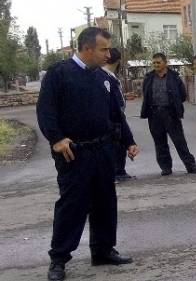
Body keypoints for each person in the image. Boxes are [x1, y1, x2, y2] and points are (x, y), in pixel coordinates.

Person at [36, 27, 139, 281]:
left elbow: (116, 114)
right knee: (72, 207)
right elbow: (45, 110)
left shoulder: (103, 79)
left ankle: (102, 250)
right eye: (103, 49)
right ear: (87, 48)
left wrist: (128, 141)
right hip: (74, 153)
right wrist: (57, 139)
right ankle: (58, 259)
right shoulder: (59, 75)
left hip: (103, 150)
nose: (108, 54)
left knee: (106, 202)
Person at [140, 53, 196, 176]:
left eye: (159, 62)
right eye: (154, 63)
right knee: (160, 142)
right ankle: (166, 167)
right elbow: (146, 94)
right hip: (154, 114)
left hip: (171, 113)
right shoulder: (149, 78)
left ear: (165, 63)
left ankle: (190, 166)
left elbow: (183, 94)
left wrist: (175, 104)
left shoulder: (174, 77)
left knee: (179, 141)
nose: (156, 65)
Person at [100, 47, 135, 181]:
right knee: (114, 145)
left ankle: (119, 171)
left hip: (117, 116)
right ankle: (113, 173)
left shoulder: (111, 76)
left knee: (120, 144)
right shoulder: (105, 77)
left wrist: (123, 97)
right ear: (119, 61)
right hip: (112, 118)